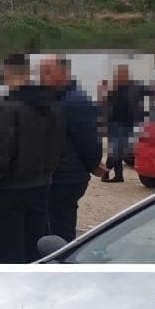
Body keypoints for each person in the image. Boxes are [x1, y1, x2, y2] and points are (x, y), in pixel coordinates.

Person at [0, 53, 65, 263]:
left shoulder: (7, 107)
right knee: (36, 250)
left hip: (11, 190)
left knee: (10, 252)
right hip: (42, 185)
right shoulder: (52, 104)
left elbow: (1, 154)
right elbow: (59, 144)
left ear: (7, 74)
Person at [45, 56, 104, 242]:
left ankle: (63, 266)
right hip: (57, 175)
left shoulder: (75, 101)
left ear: (64, 74)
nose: (42, 78)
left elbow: (88, 139)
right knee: (51, 227)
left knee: (61, 230)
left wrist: (93, 164)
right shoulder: (58, 98)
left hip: (66, 178)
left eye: (47, 73)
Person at [102, 65, 144, 182]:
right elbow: (104, 104)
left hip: (127, 124)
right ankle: (116, 175)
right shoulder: (113, 88)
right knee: (115, 151)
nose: (120, 76)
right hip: (113, 124)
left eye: (122, 73)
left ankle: (108, 173)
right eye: (118, 74)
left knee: (117, 151)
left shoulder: (136, 87)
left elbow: (152, 92)